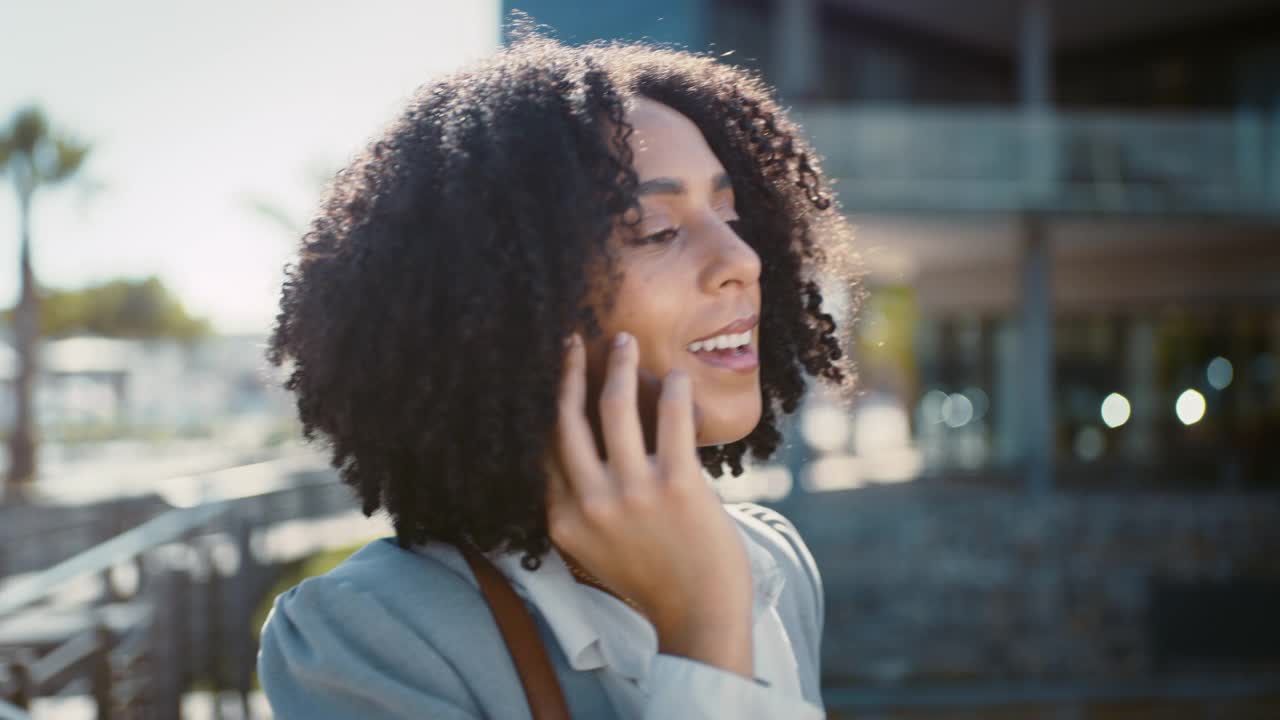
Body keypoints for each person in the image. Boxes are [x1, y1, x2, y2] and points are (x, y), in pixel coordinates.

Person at [256, 24, 857, 720]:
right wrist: (703, 633)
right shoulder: (365, 637)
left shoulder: (772, 561)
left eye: (730, 214)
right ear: (502, 300)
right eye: (659, 230)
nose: (743, 261)